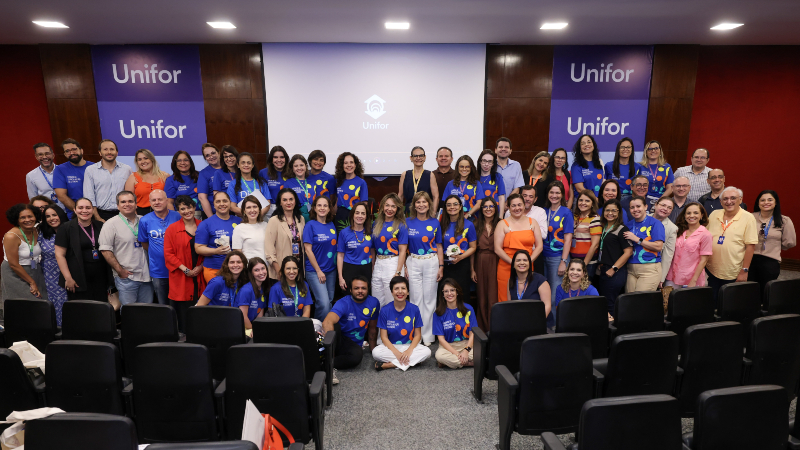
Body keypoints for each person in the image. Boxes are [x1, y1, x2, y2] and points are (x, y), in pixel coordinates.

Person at [98, 191, 152, 305]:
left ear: (136, 204)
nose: (127, 204)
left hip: (148, 277)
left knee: (147, 312)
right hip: (127, 277)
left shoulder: (145, 220)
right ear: (118, 206)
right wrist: (120, 271)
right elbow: (105, 250)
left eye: (130, 201)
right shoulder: (110, 224)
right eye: (123, 202)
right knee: (129, 314)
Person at [706, 186, 759, 301]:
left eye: (733, 198)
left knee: (727, 303)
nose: (729, 202)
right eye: (725, 199)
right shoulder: (714, 214)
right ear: (720, 202)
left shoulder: (748, 218)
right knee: (711, 301)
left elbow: (750, 246)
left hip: (733, 271)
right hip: (711, 269)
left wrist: (744, 271)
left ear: (740, 200)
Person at [404, 192, 443, 346]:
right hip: (413, 261)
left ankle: (428, 336)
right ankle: (416, 336)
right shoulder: (407, 222)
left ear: (429, 204)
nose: (421, 205)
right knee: (415, 299)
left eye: (424, 202)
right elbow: (403, 246)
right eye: (418, 202)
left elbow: (439, 246)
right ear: (413, 205)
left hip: (431, 262)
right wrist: (405, 266)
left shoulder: (435, 222)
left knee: (429, 300)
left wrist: (441, 266)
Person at [164, 195, 206, 332]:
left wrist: (200, 267)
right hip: (181, 276)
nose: (186, 211)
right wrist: (185, 270)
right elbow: (168, 254)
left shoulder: (203, 226)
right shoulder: (172, 229)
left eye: (189, 207)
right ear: (178, 211)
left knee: (201, 307)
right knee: (183, 309)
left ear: (194, 207)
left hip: (201, 275)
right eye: (182, 209)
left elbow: (210, 250)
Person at [54, 198, 109, 302]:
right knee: (81, 310)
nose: (84, 211)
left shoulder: (101, 226)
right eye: (80, 208)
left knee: (101, 308)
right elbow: (59, 255)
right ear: (75, 210)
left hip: (100, 276)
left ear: (93, 210)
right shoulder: (65, 228)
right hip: (77, 277)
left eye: (88, 208)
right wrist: (68, 278)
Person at [372, 276, 431, 371]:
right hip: (391, 347)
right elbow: (384, 337)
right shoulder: (385, 310)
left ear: (408, 292)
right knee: (376, 352)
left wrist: (408, 351)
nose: (400, 291)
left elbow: (417, 336)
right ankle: (411, 362)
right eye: (396, 289)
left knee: (427, 352)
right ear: (392, 292)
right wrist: (397, 353)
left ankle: (390, 365)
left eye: (403, 288)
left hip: (410, 346)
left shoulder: (414, 309)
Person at [323, 276, 380, 370]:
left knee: (356, 357)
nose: (360, 291)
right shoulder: (343, 303)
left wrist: (373, 351)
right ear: (350, 290)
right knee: (335, 325)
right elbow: (327, 322)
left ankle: (326, 363)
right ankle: (327, 359)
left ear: (368, 289)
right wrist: (330, 346)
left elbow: (372, 328)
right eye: (356, 288)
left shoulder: (374, 302)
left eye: (363, 288)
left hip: (353, 344)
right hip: (339, 339)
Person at [495, 193, 543, 303]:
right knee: (505, 299)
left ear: (524, 205)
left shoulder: (533, 222)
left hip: (526, 266)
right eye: (513, 205)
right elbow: (497, 249)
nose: (517, 208)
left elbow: (539, 246)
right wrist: (513, 263)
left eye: (519, 205)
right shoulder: (502, 224)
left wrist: (528, 261)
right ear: (508, 207)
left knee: (527, 296)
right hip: (507, 266)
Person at [750, 190, 796, 298]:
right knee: (749, 291)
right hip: (750, 259)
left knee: (766, 292)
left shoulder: (784, 220)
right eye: (762, 200)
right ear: (758, 203)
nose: (766, 202)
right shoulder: (750, 217)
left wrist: (773, 245)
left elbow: (789, 242)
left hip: (770, 261)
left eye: (770, 200)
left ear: (775, 203)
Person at [2, 204, 47, 316]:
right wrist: (31, 282)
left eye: (30, 216)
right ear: (16, 219)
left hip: (34, 269)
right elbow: (13, 264)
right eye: (22, 217)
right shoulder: (11, 236)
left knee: (41, 302)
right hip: (15, 273)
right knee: (24, 305)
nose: (27, 220)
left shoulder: (36, 231)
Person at [138, 190, 180, 305]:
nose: (157, 202)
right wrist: (158, 253)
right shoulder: (144, 220)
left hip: (178, 269)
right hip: (158, 270)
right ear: (150, 203)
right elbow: (144, 243)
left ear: (166, 201)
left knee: (179, 303)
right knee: (164, 304)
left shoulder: (177, 216)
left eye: (160, 199)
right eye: (154, 200)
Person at [594, 199, 633, 314]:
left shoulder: (622, 229)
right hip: (604, 270)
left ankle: (613, 330)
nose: (610, 213)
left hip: (615, 272)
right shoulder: (604, 227)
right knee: (605, 302)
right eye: (607, 210)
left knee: (610, 304)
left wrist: (614, 268)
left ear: (619, 212)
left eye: (613, 211)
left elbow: (628, 252)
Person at [371, 194, 408, 307]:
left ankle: (392, 324)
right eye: (387, 205)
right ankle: (379, 325)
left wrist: (398, 272)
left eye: (393, 206)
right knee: (376, 300)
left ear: (397, 209)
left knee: (391, 300)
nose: (389, 209)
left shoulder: (401, 225)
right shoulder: (376, 224)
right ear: (382, 206)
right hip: (378, 263)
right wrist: (373, 266)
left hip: (393, 263)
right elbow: (373, 248)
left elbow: (403, 251)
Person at [303, 196, 337, 320]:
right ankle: (318, 331)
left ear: (329, 209)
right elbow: (308, 250)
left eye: (325, 206)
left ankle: (326, 332)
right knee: (323, 303)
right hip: (315, 271)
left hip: (331, 270)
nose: (322, 208)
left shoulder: (331, 224)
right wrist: (318, 271)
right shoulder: (310, 225)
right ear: (314, 208)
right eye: (319, 205)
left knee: (329, 301)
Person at [195, 191, 242, 283]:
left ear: (230, 202)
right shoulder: (206, 224)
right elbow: (198, 248)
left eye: (225, 201)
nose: (222, 204)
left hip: (236, 269)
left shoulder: (239, 221)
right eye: (218, 201)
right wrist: (216, 251)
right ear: (214, 205)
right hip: (214, 269)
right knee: (217, 297)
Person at [82, 139, 132, 222]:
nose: (109, 152)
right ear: (100, 152)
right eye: (105, 149)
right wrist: (97, 218)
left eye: (112, 149)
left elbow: (131, 194)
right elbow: (89, 196)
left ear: (117, 152)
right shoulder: (91, 170)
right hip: (100, 214)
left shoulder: (127, 169)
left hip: (123, 213)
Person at [622, 196, 666, 292]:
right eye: (632, 207)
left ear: (646, 207)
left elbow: (658, 246)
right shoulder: (628, 225)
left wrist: (638, 240)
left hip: (649, 268)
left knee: (641, 302)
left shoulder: (655, 223)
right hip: (631, 268)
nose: (635, 210)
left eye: (638, 206)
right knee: (629, 302)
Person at [666, 202, 712, 288]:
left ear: (702, 215)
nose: (691, 216)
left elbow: (704, 260)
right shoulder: (678, 230)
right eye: (688, 213)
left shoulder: (706, 234)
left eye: (696, 213)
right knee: (669, 301)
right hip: (672, 276)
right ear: (684, 215)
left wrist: (693, 280)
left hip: (691, 279)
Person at [440, 194, 477, 299]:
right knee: (446, 295)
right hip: (446, 265)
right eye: (449, 205)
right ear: (445, 208)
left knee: (462, 294)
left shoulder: (469, 225)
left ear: (461, 207)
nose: (452, 207)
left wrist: (461, 257)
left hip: (462, 264)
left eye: (455, 204)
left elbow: (473, 247)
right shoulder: (441, 224)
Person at [265, 188, 305, 284]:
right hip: (281, 268)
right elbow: (269, 249)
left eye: (291, 199)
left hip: (298, 267)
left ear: (295, 201)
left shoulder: (301, 219)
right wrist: (279, 271)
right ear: (280, 203)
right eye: (285, 200)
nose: (288, 202)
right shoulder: (274, 220)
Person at [542, 181, 574, 303]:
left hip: (558, 257)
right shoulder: (543, 211)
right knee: (545, 293)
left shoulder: (566, 212)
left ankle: (555, 322)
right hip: (543, 256)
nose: (554, 195)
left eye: (557, 193)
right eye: (551, 192)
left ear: (562, 195)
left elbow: (568, 239)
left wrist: (563, 261)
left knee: (555, 295)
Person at [433, 279, 476, 369]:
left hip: (467, 344)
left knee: (482, 353)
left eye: (452, 290)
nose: (449, 294)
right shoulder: (438, 313)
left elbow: (473, 333)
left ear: (457, 292)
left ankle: (450, 363)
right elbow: (441, 340)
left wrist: (466, 350)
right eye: (446, 291)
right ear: (443, 294)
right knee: (439, 356)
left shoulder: (468, 308)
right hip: (448, 347)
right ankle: (470, 363)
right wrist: (457, 354)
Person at [473, 197, 500, 330]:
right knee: (482, 296)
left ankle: (495, 327)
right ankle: (483, 329)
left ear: (495, 208)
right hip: (480, 261)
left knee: (494, 296)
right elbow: (472, 249)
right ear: (481, 209)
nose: (488, 209)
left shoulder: (501, 223)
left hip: (497, 262)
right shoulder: (475, 225)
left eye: (491, 206)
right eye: (485, 206)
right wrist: (472, 269)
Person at [38, 204, 68, 325]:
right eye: (48, 216)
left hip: (68, 274)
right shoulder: (41, 233)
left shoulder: (71, 229)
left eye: (54, 215)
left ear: (60, 215)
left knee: (68, 304)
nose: (51, 218)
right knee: (53, 305)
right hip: (48, 276)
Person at [552, 259, 603, 327]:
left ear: (583, 274)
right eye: (572, 269)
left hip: (586, 325)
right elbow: (560, 312)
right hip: (566, 324)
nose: (574, 272)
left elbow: (597, 312)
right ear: (567, 271)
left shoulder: (591, 290)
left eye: (578, 270)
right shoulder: (560, 288)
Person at [337, 202, 375, 293]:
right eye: (357, 213)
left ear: (366, 216)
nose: (360, 216)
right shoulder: (344, 233)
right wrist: (340, 277)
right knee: (349, 298)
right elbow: (340, 255)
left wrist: (373, 271)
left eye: (363, 213)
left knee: (365, 297)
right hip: (349, 269)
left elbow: (373, 253)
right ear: (352, 215)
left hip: (366, 269)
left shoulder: (371, 232)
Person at [512, 185, 548, 275]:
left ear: (535, 199)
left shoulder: (540, 212)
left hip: (534, 255)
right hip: (513, 254)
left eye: (531, 196)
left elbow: (543, 234)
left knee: (533, 285)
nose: (527, 199)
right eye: (524, 195)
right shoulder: (510, 211)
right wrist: (532, 231)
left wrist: (520, 233)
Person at [226, 152, 271, 217]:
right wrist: (249, 215)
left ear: (253, 165)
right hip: (241, 220)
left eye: (249, 163)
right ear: (238, 165)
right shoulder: (233, 184)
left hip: (259, 219)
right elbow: (232, 207)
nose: (246, 165)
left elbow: (267, 204)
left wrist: (258, 215)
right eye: (243, 163)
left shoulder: (261, 182)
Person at [124, 148, 168, 216]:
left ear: (152, 159)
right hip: (140, 214)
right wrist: (135, 216)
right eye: (139, 159)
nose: (143, 161)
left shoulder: (165, 176)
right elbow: (128, 200)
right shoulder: (133, 177)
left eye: (146, 158)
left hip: (163, 214)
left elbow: (170, 199)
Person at [53, 138, 89, 218]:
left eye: (74, 149)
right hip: (75, 215)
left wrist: (92, 212)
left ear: (81, 150)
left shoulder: (94, 167)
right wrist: (81, 211)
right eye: (67, 151)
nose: (71, 153)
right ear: (65, 154)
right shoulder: (60, 169)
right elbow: (62, 196)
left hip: (96, 213)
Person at [570, 190, 602, 280]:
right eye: (581, 200)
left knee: (584, 291)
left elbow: (595, 245)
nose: (583, 203)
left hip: (587, 263)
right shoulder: (575, 216)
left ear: (592, 203)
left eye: (587, 201)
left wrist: (583, 265)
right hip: (573, 260)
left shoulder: (595, 219)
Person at [398, 146, 439, 214]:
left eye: (421, 155)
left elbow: (436, 196)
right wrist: (399, 214)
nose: (418, 158)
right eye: (415, 156)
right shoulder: (405, 174)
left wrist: (433, 214)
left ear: (425, 157)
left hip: (425, 213)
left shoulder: (430, 175)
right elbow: (400, 196)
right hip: (409, 212)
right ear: (411, 158)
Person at [334, 152, 368, 231]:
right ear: (342, 165)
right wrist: (331, 215)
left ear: (355, 165)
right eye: (346, 163)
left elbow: (364, 204)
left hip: (355, 217)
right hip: (340, 216)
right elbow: (337, 201)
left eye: (351, 162)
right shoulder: (338, 181)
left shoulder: (361, 182)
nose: (349, 165)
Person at [26, 142, 64, 210]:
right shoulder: (31, 176)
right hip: (47, 214)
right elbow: (33, 200)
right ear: (36, 157)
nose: (44, 157)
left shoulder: (64, 171)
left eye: (47, 153)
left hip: (67, 211)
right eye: (40, 154)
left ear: (53, 155)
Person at [234, 257, 268, 331]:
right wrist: (254, 330)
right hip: (240, 328)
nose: (261, 272)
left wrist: (258, 328)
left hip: (251, 326)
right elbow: (243, 316)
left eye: (263, 268)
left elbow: (260, 313)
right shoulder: (246, 290)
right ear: (251, 273)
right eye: (256, 270)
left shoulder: (262, 288)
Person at [651, 196, 678, 288]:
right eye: (663, 205)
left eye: (669, 208)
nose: (665, 209)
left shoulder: (672, 228)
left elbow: (667, 255)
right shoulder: (643, 218)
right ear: (655, 205)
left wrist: (661, 278)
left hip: (653, 268)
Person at [232, 196, 268, 262]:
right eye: (248, 207)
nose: (252, 210)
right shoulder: (239, 228)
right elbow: (238, 254)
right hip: (249, 268)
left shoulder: (266, 225)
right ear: (244, 211)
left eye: (255, 207)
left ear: (259, 209)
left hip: (266, 269)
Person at [639, 140, 674, 208]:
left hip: (661, 201)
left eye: (656, 148)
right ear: (646, 152)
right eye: (650, 149)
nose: (653, 151)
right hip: (643, 201)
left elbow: (670, 188)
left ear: (660, 151)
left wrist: (660, 201)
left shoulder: (667, 167)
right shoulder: (639, 167)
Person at [258, 146, 289, 219]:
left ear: (286, 159)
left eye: (282, 157)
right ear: (271, 159)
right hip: (269, 209)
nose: (279, 160)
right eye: (275, 157)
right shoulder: (263, 172)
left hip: (287, 208)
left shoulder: (291, 173)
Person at [571, 134, 605, 199]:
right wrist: (594, 199)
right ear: (580, 149)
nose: (586, 144)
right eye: (583, 143)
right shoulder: (576, 165)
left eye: (589, 142)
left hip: (599, 201)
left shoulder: (599, 163)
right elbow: (580, 189)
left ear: (593, 145)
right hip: (583, 201)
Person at [282, 154, 313, 222]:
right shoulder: (288, 183)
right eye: (296, 166)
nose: (299, 168)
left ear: (306, 166)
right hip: (296, 216)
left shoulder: (312, 181)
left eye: (301, 165)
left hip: (313, 215)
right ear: (292, 168)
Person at [477, 149, 506, 216]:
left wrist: (501, 216)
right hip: (477, 215)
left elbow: (501, 198)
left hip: (493, 214)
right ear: (480, 161)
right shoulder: (474, 177)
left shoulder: (497, 177)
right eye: (484, 161)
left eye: (490, 162)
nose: (486, 164)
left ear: (493, 164)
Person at [197, 143, 222, 219]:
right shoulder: (204, 173)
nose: (211, 157)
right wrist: (212, 219)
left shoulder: (230, 169)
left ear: (219, 153)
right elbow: (202, 198)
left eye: (213, 153)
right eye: (207, 155)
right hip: (213, 213)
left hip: (233, 212)